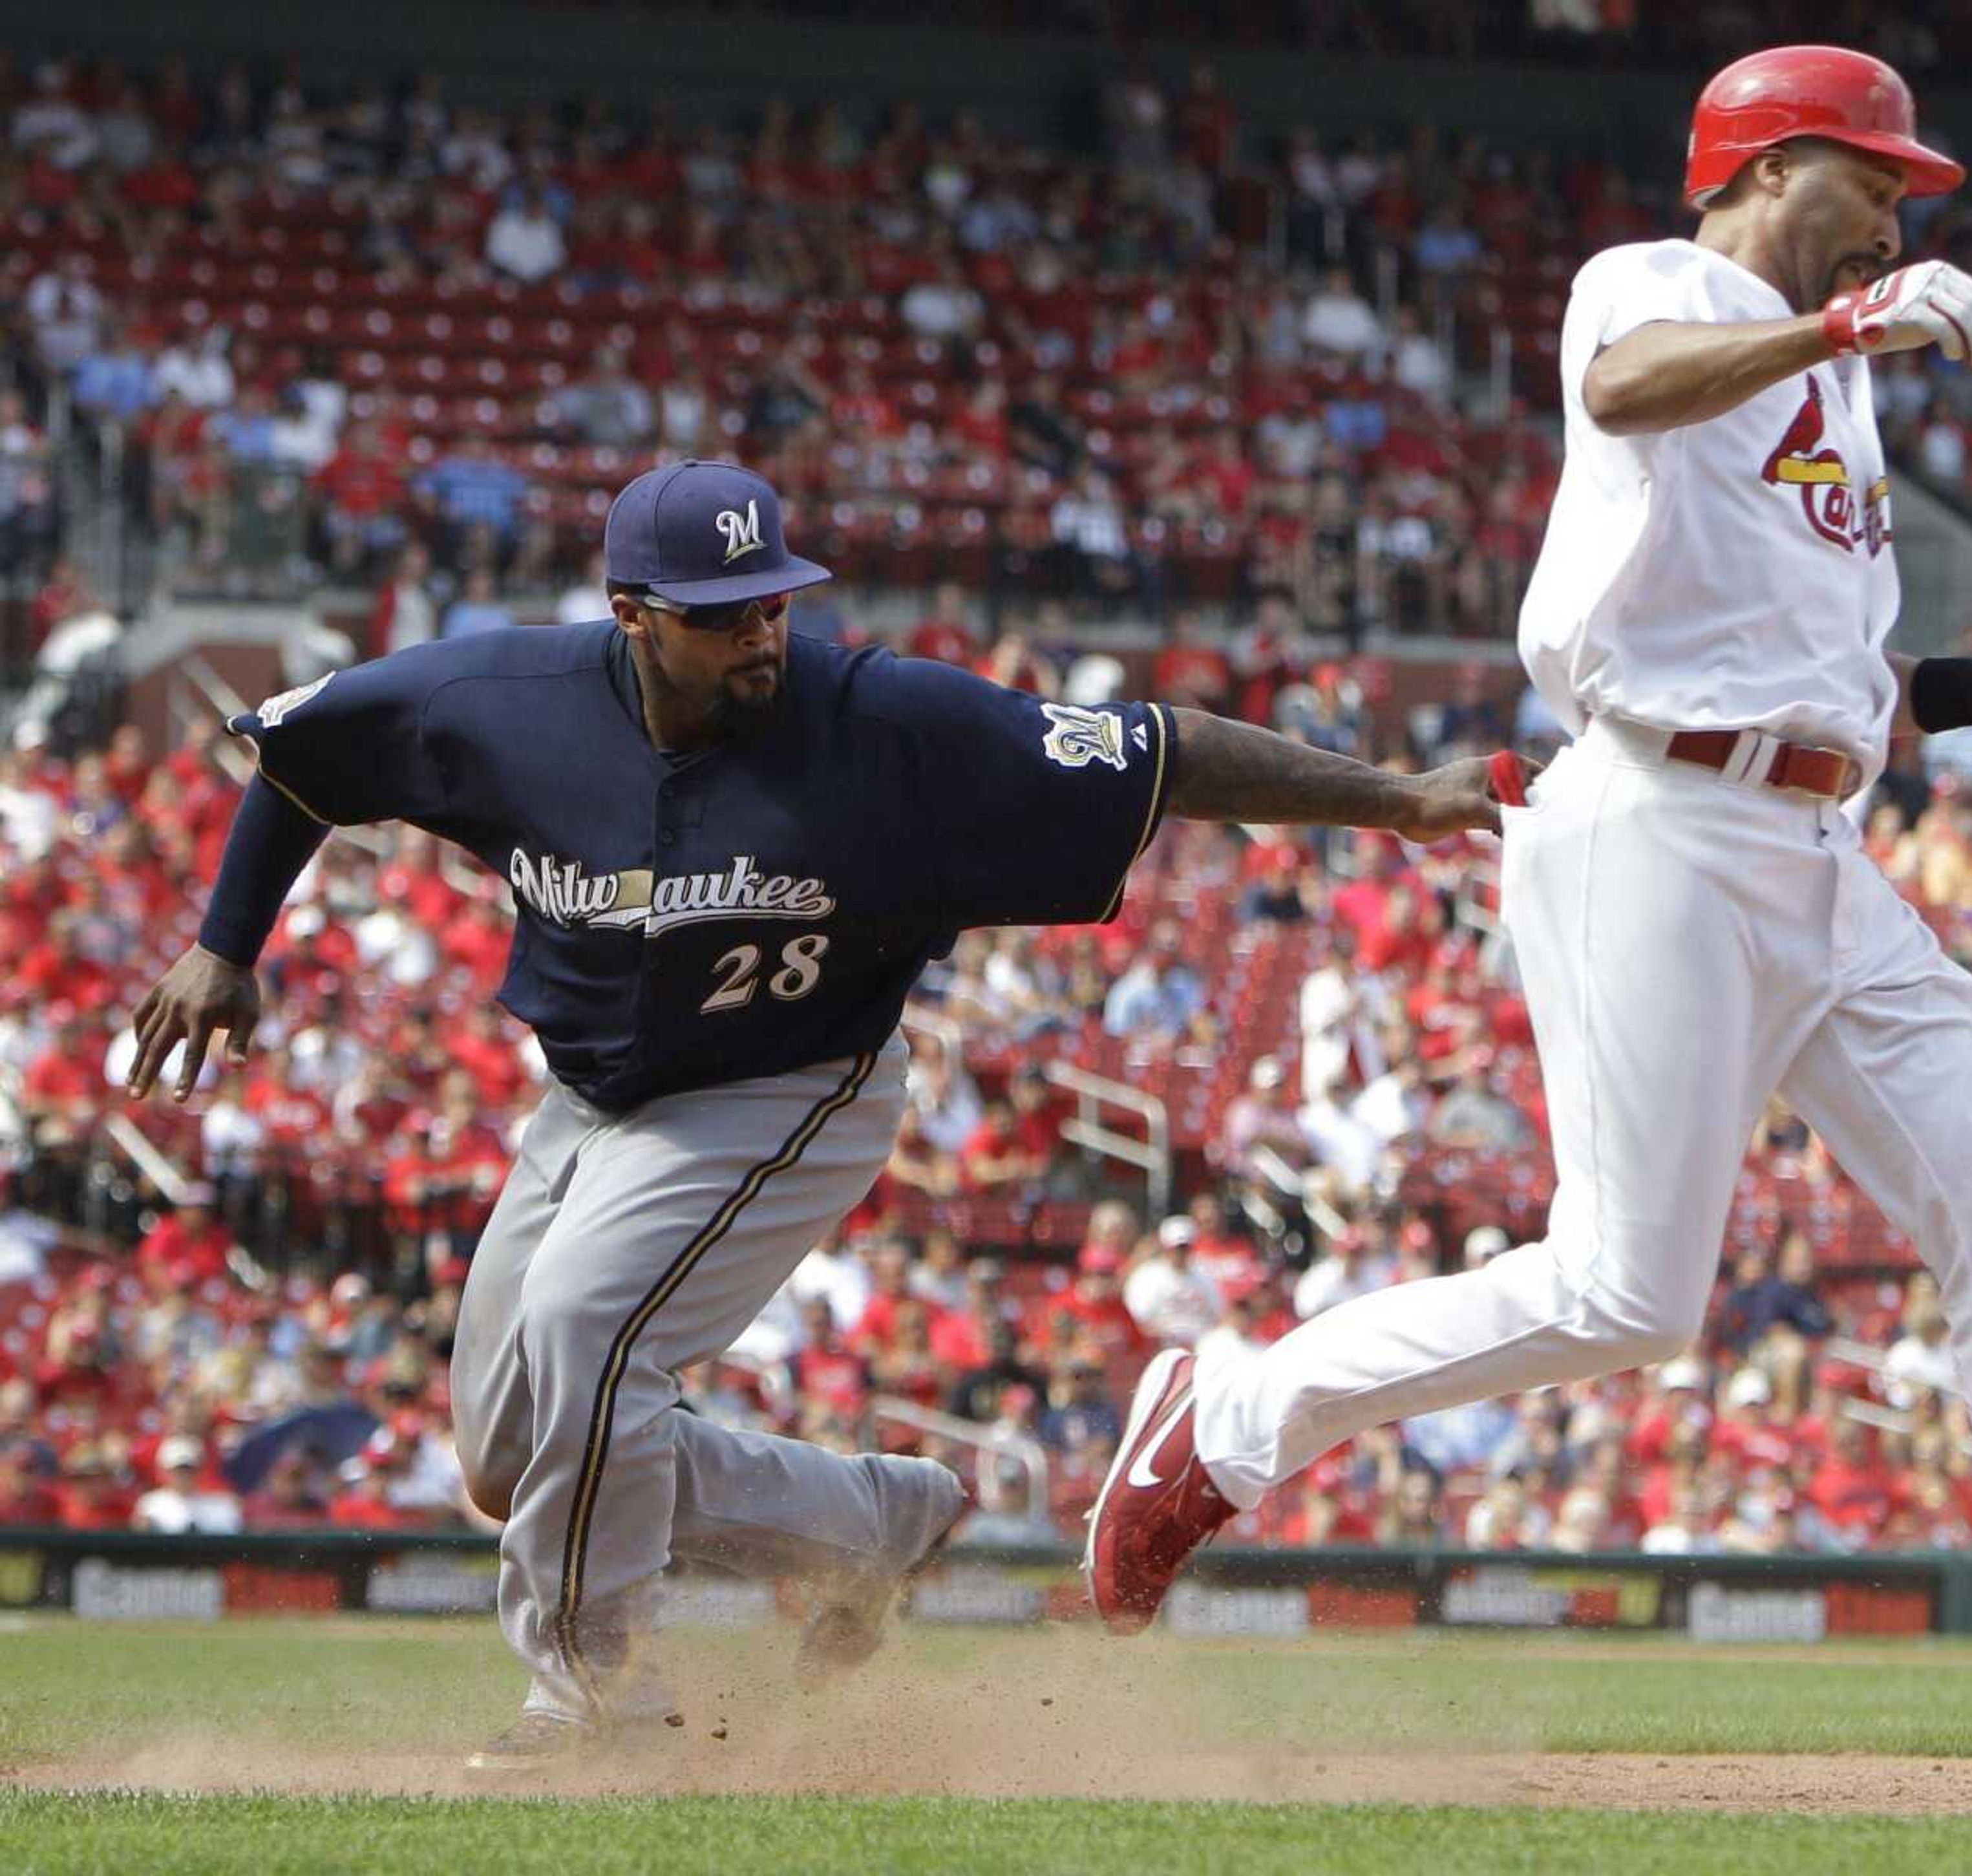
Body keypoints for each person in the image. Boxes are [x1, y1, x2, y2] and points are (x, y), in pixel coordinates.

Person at [1083, 45, 1972, 1799]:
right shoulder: (1662, 281)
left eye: (1903, 199)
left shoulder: (1843, 383)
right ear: (1764, 163)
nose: (1894, 220)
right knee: (1626, 1291)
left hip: (1819, 838)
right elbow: (1631, 387)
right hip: (1650, 818)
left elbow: (1799, 666)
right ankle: (1228, 1418)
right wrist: (1852, 329)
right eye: (1877, 181)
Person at [125, 458, 1509, 1773]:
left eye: (775, 603)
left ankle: (597, 1693)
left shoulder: (892, 720)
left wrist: (1398, 800)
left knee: (581, 1339)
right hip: (590, 1098)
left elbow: (1166, 754)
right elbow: (305, 753)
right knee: (513, 1451)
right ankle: (873, 1521)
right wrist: (226, 942)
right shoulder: (496, 696)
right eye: (723, 617)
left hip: (791, 1083)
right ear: (634, 617)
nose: (760, 636)